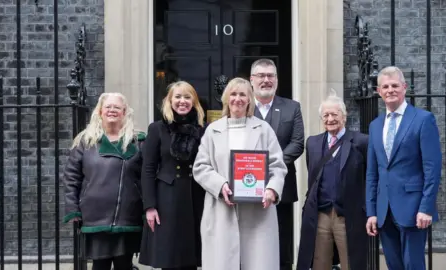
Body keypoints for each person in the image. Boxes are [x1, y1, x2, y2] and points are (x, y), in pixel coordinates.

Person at [192, 77, 288, 270]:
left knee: (257, 263)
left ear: (249, 100)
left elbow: (277, 166)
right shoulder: (213, 130)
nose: (238, 98)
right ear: (227, 98)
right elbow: (201, 166)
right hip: (221, 210)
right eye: (233, 94)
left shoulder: (263, 130)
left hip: (257, 214)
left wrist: (271, 189)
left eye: (242, 94)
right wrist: (220, 186)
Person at [366, 66, 442, 270]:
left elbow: (432, 169)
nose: (390, 90)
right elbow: (372, 173)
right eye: (385, 86)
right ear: (379, 91)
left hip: (414, 208)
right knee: (394, 265)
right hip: (384, 210)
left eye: (394, 85)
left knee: (413, 265)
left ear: (404, 87)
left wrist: (426, 208)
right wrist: (371, 211)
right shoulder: (375, 125)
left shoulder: (423, 119)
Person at [62, 92, 145, 270]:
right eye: (108, 107)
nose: (112, 110)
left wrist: (147, 207)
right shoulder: (85, 142)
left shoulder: (138, 142)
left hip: (128, 216)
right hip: (95, 217)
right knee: (100, 265)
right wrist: (73, 209)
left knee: (124, 265)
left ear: (124, 112)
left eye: (117, 107)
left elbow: (146, 178)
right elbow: (71, 177)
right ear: (100, 111)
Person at [296, 93, 368, 270]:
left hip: (348, 215)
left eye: (334, 114)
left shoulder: (361, 141)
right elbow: (313, 176)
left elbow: (370, 177)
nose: (330, 119)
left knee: (351, 264)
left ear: (344, 116)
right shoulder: (312, 143)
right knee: (320, 263)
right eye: (326, 115)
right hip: (321, 214)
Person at [139, 81, 206, 270]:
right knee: (169, 257)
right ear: (169, 101)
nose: (182, 101)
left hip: (196, 197)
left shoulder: (203, 129)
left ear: (194, 101)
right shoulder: (157, 128)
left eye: (187, 97)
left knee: (191, 258)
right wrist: (149, 206)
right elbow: (148, 168)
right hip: (166, 199)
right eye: (177, 97)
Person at [249, 59, 304, 270]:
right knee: (251, 242)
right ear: (251, 80)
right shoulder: (242, 106)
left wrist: (270, 165)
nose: (266, 80)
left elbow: (297, 143)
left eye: (270, 75)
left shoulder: (292, 107)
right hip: (247, 184)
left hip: (283, 187)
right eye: (261, 76)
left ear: (277, 80)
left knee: (282, 244)